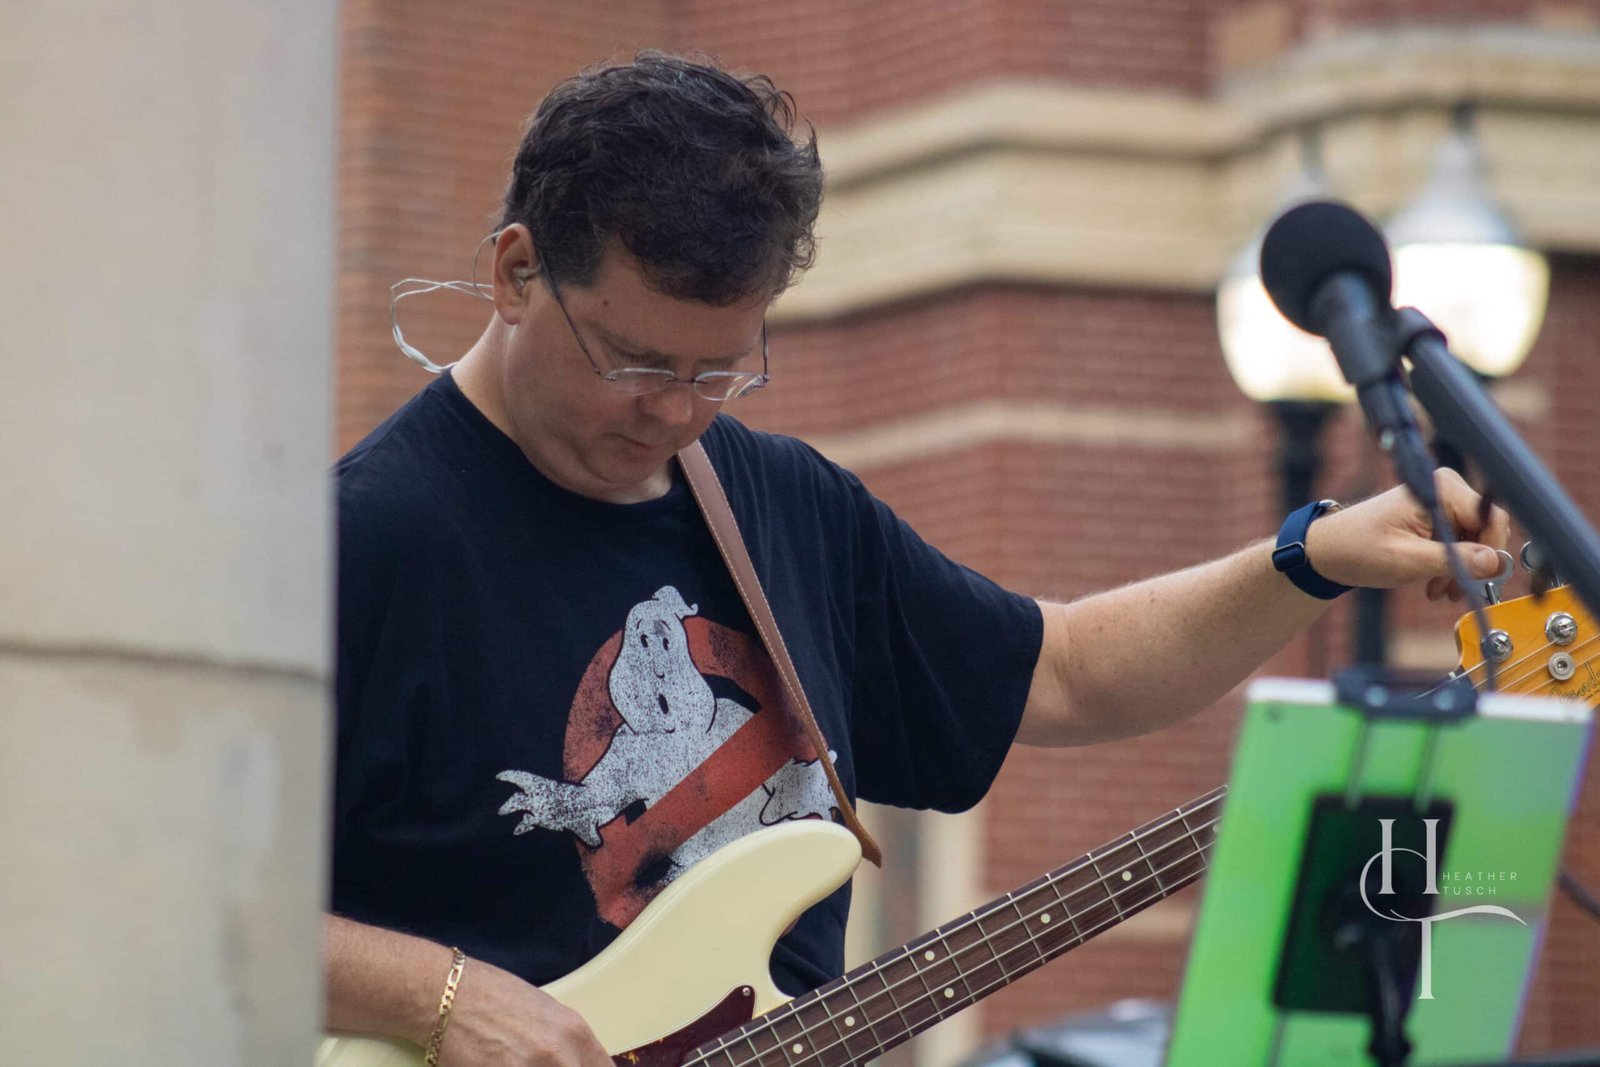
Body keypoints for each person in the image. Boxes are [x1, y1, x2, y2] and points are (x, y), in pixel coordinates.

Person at [324, 51, 1509, 1067]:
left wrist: (1309, 557)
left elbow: (1063, 670)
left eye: (721, 369)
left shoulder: (779, 501)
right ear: (517, 271)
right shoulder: (363, 539)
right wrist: (445, 996)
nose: (677, 411)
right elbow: (212, 882)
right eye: (633, 363)